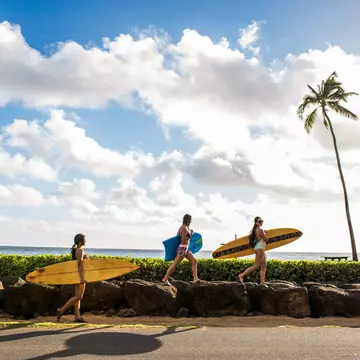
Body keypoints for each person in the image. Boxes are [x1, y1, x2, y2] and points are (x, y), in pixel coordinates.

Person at [56, 233, 88, 323]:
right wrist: (82, 277)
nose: (86, 241)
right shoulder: (80, 250)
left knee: (77, 297)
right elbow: (80, 264)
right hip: (80, 275)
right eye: (84, 239)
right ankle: (61, 311)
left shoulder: (77, 250)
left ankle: (77, 317)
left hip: (77, 275)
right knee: (78, 296)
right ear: (80, 241)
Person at [162, 214, 201, 285]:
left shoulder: (186, 228)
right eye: (190, 219)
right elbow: (183, 240)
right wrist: (190, 234)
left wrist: (190, 232)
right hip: (182, 248)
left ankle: (195, 278)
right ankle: (165, 278)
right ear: (187, 219)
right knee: (174, 264)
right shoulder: (183, 228)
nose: (191, 221)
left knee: (194, 261)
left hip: (186, 248)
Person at [238, 216, 268, 284]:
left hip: (259, 248)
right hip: (260, 249)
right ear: (256, 223)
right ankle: (241, 275)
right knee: (256, 266)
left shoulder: (255, 230)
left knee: (264, 265)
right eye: (259, 221)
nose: (261, 222)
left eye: (262, 221)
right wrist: (265, 234)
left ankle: (262, 282)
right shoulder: (260, 230)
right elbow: (266, 239)